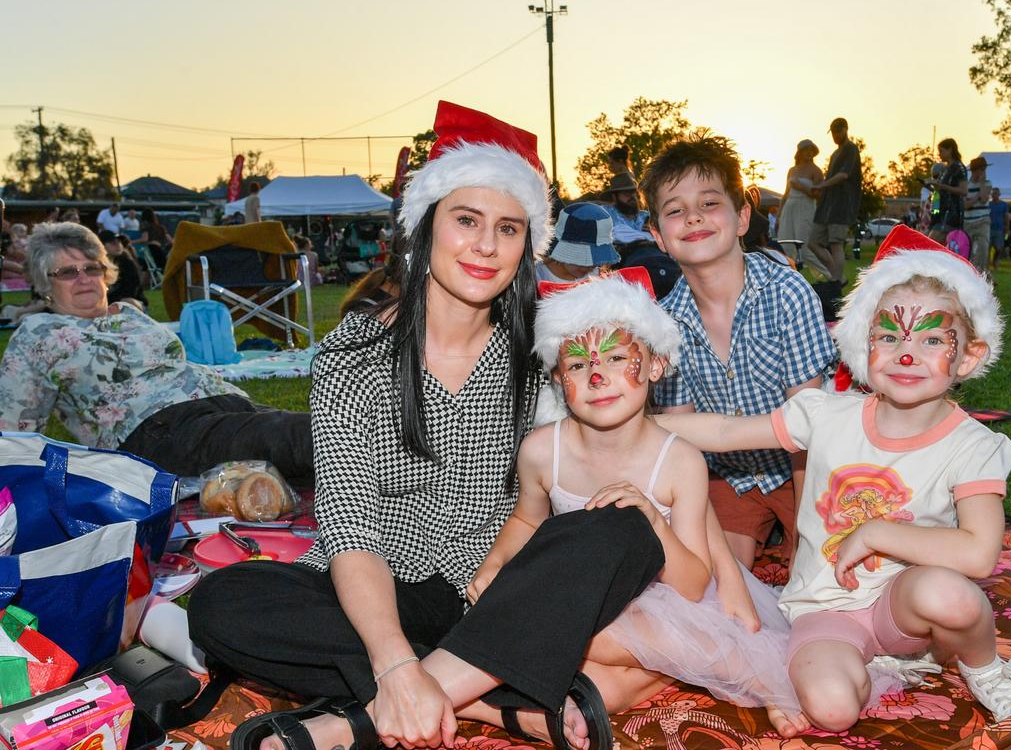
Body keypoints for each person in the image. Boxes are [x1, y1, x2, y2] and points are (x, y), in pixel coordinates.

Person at [188, 101, 666, 750]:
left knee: (624, 530)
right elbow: (348, 517)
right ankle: (487, 702)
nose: (486, 246)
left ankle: (362, 718)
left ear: (529, 244)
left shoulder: (543, 350)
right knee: (223, 604)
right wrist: (391, 661)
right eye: (466, 220)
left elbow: (584, 465)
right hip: (377, 584)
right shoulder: (354, 352)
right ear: (425, 226)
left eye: (508, 228)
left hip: (496, 585)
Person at [658, 225, 1011, 729]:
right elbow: (723, 428)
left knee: (951, 595)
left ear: (969, 355)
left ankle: (986, 668)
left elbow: (980, 553)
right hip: (824, 607)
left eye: (933, 338)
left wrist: (874, 532)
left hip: (905, 606)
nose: (907, 354)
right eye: (888, 336)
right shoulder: (825, 414)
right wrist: (638, 421)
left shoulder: (974, 445)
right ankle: (872, 667)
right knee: (831, 711)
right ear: (861, 343)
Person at [478, 271, 811, 738]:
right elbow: (526, 519)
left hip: (666, 598)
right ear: (557, 377)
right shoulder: (540, 450)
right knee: (599, 674)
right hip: (582, 594)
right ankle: (648, 673)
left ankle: (754, 675)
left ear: (655, 364)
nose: (598, 377)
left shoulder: (679, 461)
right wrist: (494, 562)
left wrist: (653, 520)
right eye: (577, 366)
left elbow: (694, 584)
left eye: (617, 358)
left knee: (589, 663)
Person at [641, 132, 836, 569]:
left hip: (803, 468)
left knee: (827, 571)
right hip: (726, 476)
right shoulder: (664, 324)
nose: (693, 218)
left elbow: (809, 430)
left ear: (742, 217)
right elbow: (680, 437)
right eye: (675, 210)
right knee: (716, 585)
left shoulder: (788, 292)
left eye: (710, 203)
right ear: (657, 235)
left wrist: (807, 534)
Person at [0, 222, 312, 480]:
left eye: (91, 268)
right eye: (67, 272)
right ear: (44, 285)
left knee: (330, 429)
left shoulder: (128, 313)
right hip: (161, 431)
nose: (83, 278)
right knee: (305, 437)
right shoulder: (40, 331)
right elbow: (14, 431)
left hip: (224, 403)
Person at [808, 118, 861, 286]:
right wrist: (820, 189)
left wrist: (823, 184)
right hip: (827, 205)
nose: (836, 135)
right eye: (833, 132)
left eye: (838, 131)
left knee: (836, 243)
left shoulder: (851, 149)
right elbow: (831, 178)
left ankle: (836, 282)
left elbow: (843, 175)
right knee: (813, 242)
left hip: (842, 204)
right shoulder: (835, 154)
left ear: (846, 129)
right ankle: (838, 277)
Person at [776, 139, 828, 277]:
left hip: (805, 207)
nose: (809, 153)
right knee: (785, 244)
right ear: (800, 153)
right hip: (789, 207)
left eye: (812, 151)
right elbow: (786, 193)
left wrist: (802, 187)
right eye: (806, 150)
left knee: (804, 246)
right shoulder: (792, 170)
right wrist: (779, 215)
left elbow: (819, 195)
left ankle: (830, 276)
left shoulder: (816, 171)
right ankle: (790, 275)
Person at [535, 202, 619, 283]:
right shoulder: (538, 275)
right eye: (580, 258)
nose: (587, 267)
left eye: (595, 260)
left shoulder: (596, 276)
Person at [926, 138, 968, 245]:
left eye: (941, 151)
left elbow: (963, 190)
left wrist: (943, 187)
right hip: (939, 213)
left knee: (931, 245)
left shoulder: (959, 168)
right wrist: (934, 187)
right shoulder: (945, 169)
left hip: (951, 214)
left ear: (950, 150)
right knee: (934, 246)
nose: (939, 154)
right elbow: (941, 190)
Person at [604, 171, 652, 252]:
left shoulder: (647, 216)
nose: (632, 197)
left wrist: (657, 232)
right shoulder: (606, 214)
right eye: (626, 194)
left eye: (633, 192)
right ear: (614, 197)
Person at [99, 230, 146, 309]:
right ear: (102, 247)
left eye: (119, 242)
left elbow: (131, 291)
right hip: (106, 306)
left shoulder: (126, 263)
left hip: (132, 304)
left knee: (126, 301)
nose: (118, 245)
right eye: (113, 243)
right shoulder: (96, 266)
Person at [964, 157, 992, 273]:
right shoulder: (966, 185)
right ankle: (968, 273)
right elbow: (966, 205)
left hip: (983, 221)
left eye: (984, 169)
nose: (983, 172)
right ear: (975, 170)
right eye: (981, 169)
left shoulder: (987, 183)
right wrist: (977, 196)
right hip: (967, 222)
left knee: (983, 248)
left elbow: (985, 199)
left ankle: (981, 273)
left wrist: (981, 184)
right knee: (967, 249)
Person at [989, 187, 1010, 269]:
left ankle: (994, 261)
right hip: (989, 229)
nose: (994, 195)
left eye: (996, 193)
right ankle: (987, 266)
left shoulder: (1004, 204)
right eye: (993, 193)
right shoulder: (988, 204)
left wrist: (1007, 227)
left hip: (1000, 229)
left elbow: (1006, 216)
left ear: (999, 194)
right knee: (988, 248)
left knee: (998, 249)